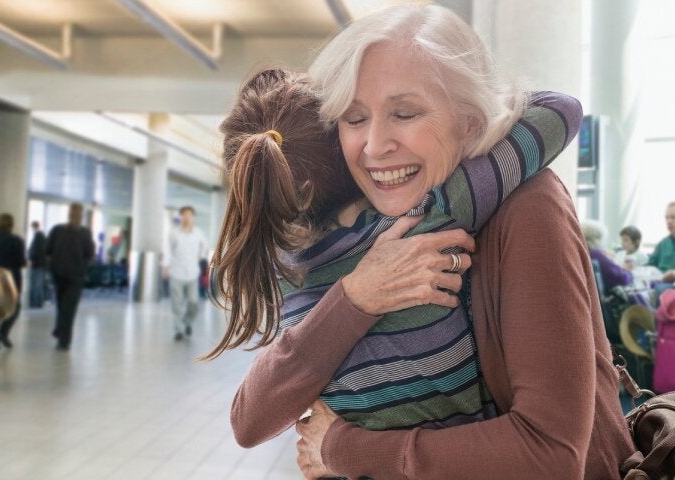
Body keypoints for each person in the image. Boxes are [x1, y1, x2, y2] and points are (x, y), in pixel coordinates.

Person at [222, 6, 633, 478]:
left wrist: (342, 447)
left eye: (405, 113)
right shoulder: (359, 229)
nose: (375, 146)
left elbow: (551, 456)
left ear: (470, 122)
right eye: (354, 119)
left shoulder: (526, 208)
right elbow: (250, 418)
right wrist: (356, 296)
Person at [45, 203, 94, 351]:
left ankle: (61, 332)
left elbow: (47, 250)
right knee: (69, 307)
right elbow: (90, 253)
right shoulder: (85, 233)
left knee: (61, 305)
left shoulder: (57, 230)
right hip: (75, 275)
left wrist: (53, 264)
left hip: (59, 272)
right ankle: (63, 337)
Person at [161, 205, 208, 340]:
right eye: (184, 215)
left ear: (193, 217)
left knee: (194, 302)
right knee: (177, 303)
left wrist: (201, 256)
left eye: (189, 215)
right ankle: (179, 330)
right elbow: (167, 250)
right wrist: (165, 266)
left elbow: (204, 245)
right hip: (176, 273)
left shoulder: (198, 233)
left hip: (192, 273)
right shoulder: (174, 233)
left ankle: (187, 322)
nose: (187, 217)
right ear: (181, 216)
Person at [0, 213, 26, 350]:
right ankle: (3, 331)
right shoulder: (17, 241)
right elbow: (21, 262)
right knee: (15, 307)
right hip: (12, 278)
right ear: (11, 225)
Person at [582, 219, 633, 294]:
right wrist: (628, 272)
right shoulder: (596, 254)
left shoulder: (583, 252)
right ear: (597, 238)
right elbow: (622, 278)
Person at [27, 221, 48, 308]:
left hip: (37, 264)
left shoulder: (38, 236)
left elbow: (36, 251)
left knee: (36, 284)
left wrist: (31, 258)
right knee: (37, 284)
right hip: (40, 264)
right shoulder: (41, 236)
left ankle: (36, 303)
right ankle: (37, 302)